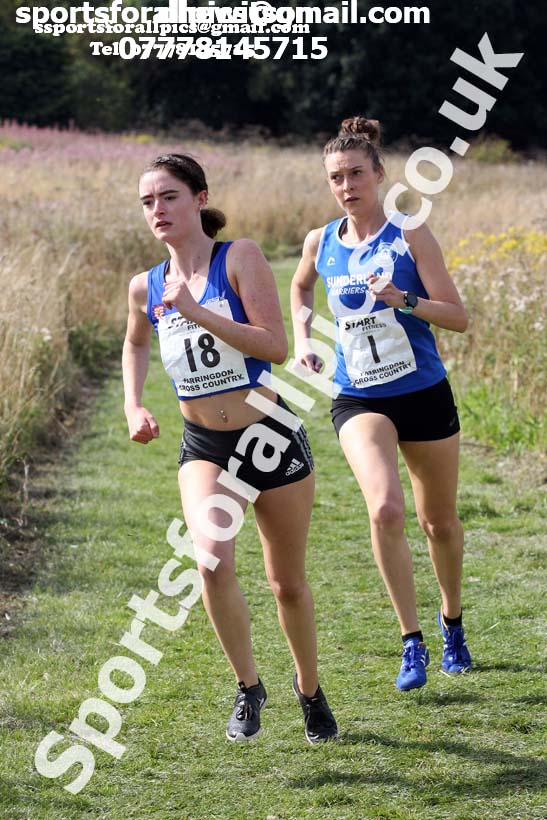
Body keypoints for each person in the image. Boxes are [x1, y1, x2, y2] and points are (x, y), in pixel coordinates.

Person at [122, 153, 338, 742]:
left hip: (269, 437)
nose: (157, 211)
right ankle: (248, 687)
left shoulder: (237, 258)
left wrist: (195, 313)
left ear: (198, 198)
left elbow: (273, 346)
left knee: (286, 582)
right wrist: (133, 403)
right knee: (210, 557)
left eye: (168, 196)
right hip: (205, 444)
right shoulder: (146, 285)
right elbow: (135, 342)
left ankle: (310, 690)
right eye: (147, 202)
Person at [290, 117, 472, 691]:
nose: (346, 186)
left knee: (438, 523)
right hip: (358, 395)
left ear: (379, 175)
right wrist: (304, 340)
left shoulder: (410, 235)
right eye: (336, 177)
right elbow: (299, 286)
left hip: (423, 392)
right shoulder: (320, 242)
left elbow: (458, 317)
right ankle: (411, 642)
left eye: (356, 174)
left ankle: (452, 623)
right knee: (385, 510)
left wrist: (406, 299)